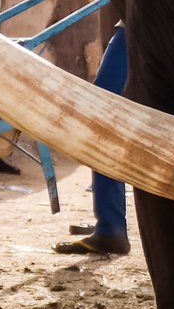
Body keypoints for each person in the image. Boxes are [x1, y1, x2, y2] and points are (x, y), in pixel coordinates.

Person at [53, 21, 131, 256]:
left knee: (102, 114)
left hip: (146, 18)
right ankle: (110, 223)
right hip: (144, 18)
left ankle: (111, 227)